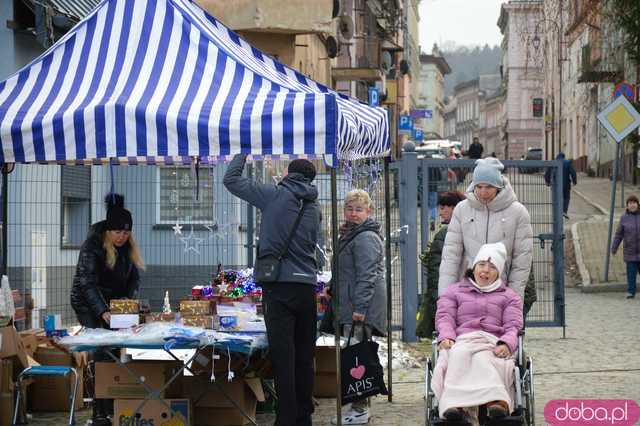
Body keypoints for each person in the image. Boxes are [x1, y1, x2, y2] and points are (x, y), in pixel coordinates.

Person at [224, 154, 321, 426]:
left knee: (283, 356)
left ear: (288, 173)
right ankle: (304, 417)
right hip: (306, 287)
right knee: (304, 355)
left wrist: (242, 151)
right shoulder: (315, 208)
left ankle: (286, 418)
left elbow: (230, 180)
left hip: (278, 287)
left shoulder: (274, 195)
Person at [70, 194, 144, 426]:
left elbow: (134, 279)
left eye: (126, 232)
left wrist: (127, 304)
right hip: (87, 302)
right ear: (108, 231)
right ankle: (99, 412)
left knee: (114, 347)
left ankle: (113, 402)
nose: (122, 237)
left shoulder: (127, 247)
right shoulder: (92, 245)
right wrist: (103, 311)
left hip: (112, 304)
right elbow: (86, 282)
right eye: (117, 232)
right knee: (101, 349)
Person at [432, 242, 524, 423]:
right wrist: (447, 336)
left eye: (492, 267)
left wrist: (507, 343)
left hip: (492, 341)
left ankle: (497, 402)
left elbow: (513, 325)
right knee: (458, 354)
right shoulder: (454, 291)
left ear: (499, 272)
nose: (485, 270)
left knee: (485, 357)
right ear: (473, 267)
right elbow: (445, 317)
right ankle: (454, 404)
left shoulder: (509, 296)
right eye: (481, 265)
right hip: (462, 339)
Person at [324, 189, 386, 425]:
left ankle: (360, 409)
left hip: (361, 307)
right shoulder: (351, 234)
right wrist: (331, 286)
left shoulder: (366, 238)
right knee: (355, 357)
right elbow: (345, 270)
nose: (353, 213)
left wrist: (359, 308)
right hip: (351, 302)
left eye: (358, 209)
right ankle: (358, 405)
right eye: (349, 209)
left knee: (357, 358)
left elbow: (367, 276)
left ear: (368, 211)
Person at [438, 158, 533, 302]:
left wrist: (514, 298)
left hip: (502, 291)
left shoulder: (518, 212)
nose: (483, 192)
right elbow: (451, 255)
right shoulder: (462, 210)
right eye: (479, 186)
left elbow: (521, 260)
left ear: (498, 186)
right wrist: (445, 297)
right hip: (466, 291)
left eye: (488, 187)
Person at [416, 191, 466, 339]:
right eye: (440, 207)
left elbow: (436, 274)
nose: (440, 211)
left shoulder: (446, 234)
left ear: (456, 208)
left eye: (445, 207)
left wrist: (435, 300)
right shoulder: (463, 230)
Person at [611, 195, 640, 299]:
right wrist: (614, 248)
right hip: (630, 252)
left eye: (634, 203)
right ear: (627, 206)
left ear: (638, 204)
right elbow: (619, 235)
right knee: (631, 274)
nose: (632, 205)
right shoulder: (624, 218)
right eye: (630, 203)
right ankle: (631, 292)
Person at [545, 152, 577, 219]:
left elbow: (547, 173)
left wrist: (547, 182)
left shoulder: (553, 162)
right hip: (566, 185)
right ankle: (564, 211)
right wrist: (574, 181)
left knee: (556, 199)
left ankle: (557, 213)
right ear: (563, 157)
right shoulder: (568, 162)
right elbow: (573, 172)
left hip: (555, 185)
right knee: (566, 198)